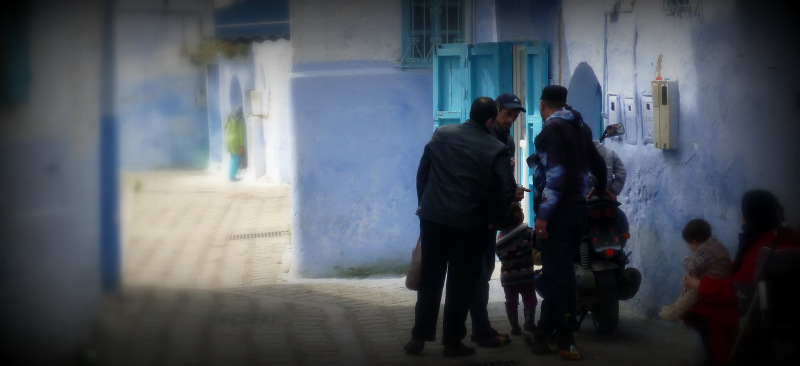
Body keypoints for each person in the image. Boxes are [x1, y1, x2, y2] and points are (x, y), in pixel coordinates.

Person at [404, 97, 517, 358]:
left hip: (433, 220)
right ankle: (452, 343)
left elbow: (423, 174)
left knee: (430, 281)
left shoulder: (441, 134)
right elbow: (505, 189)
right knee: (460, 284)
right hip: (470, 225)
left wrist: (426, 205)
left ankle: (418, 338)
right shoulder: (495, 148)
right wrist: (494, 218)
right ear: (490, 120)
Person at [525, 85, 607, 360]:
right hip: (578, 211)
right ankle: (544, 333)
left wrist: (543, 217)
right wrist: (599, 188)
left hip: (558, 215)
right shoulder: (581, 128)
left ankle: (566, 336)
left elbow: (556, 178)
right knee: (557, 274)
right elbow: (599, 165)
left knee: (559, 279)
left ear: (542, 104)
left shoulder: (550, 131)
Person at [683, 190, 800, 366]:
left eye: (743, 213)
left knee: (698, 307)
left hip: (755, 314)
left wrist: (699, 284)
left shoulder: (762, 245)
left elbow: (738, 289)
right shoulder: (789, 236)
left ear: (751, 214)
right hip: (787, 311)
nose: (741, 217)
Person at [468, 93, 528, 348]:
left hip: (492, 217)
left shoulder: (508, 141)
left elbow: (504, 178)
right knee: (478, 273)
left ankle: (480, 328)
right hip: (476, 216)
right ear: (495, 113)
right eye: (508, 115)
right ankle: (479, 329)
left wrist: (510, 190)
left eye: (514, 117)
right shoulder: (482, 138)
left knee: (484, 271)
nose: (511, 120)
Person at [659, 219, 732, 323]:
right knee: (688, 286)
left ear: (694, 242)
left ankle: (677, 313)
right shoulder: (715, 246)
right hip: (714, 279)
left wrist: (685, 260)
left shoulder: (707, 251)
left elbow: (693, 266)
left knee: (692, 293)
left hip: (714, 282)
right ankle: (675, 306)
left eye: (689, 244)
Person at [494, 201, 539, 336]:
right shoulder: (527, 233)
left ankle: (515, 327)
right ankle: (529, 322)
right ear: (520, 216)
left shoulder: (500, 237)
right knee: (530, 297)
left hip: (508, 277)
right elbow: (535, 247)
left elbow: (501, 256)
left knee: (511, 301)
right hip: (526, 275)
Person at [586, 125, 627, 200]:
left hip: (585, 196)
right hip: (607, 195)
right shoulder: (610, 153)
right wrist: (613, 191)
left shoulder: (576, 154)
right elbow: (622, 172)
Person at [224, 105, 246, 182]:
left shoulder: (229, 117)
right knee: (236, 159)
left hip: (228, 139)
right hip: (235, 141)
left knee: (233, 158)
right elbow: (241, 134)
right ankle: (232, 177)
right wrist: (241, 145)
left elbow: (224, 126)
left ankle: (231, 175)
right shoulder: (240, 119)